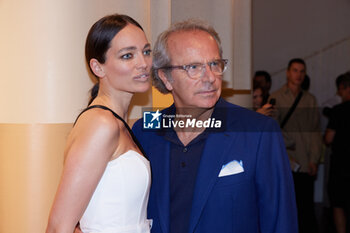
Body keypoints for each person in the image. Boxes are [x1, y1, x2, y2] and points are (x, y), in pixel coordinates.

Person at [132, 19, 298, 233]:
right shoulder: (145, 132)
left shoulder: (259, 132)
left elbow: (280, 222)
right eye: (193, 67)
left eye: (214, 64)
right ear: (166, 77)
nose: (210, 77)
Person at [46, 14, 152, 233]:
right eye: (127, 55)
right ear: (98, 67)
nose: (143, 63)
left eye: (146, 51)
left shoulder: (117, 122)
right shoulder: (101, 124)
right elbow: (59, 227)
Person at [269, 58, 322, 233]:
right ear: (287, 72)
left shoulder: (310, 99)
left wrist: (314, 159)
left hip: (305, 161)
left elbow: (315, 131)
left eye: (302, 71)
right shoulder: (275, 97)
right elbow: (272, 128)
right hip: (285, 159)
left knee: (306, 207)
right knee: (286, 205)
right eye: (295, 70)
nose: (298, 75)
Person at [324, 73, 350, 233]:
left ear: (343, 88)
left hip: (341, 166)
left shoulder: (338, 110)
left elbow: (328, 138)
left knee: (339, 204)